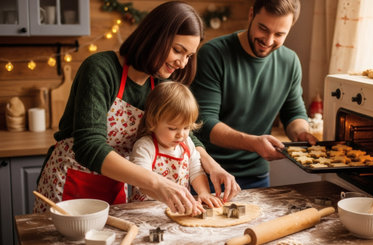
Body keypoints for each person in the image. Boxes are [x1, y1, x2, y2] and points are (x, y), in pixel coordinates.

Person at [33, 1, 239, 216]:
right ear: (155, 37)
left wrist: (212, 165)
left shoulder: (158, 82)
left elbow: (183, 130)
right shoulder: (101, 69)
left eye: (189, 56)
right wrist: (157, 183)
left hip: (117, 185)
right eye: (178, 50)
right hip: (71, 184)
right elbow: (89, 146)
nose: (182, 64)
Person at [190, 0, 317, 190]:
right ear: (251, 15)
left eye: (279, 34)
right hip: (208, 172)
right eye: (263, 29)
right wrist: (253, 143)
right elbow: (204, 123)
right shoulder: (214, 54)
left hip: (256, 176)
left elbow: (294, 113)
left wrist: (301, 133)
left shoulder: (290, 62)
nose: (268, 40)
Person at [129, 81, 223, 210]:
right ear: (153, 121)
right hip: (145, 210)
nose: (181, 135)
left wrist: (204, 193)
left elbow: (196, 171)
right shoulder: (144, 147)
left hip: (180, 208)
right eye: (173, 128)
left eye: (186, 127)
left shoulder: (187, 143)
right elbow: (143, 183)